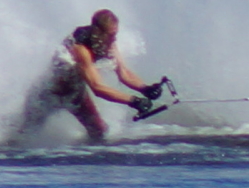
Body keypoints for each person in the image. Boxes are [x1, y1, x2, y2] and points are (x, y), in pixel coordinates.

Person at [13, 9, 165, 142]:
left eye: (115, 34)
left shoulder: (109, 42)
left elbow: (123, 72)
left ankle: (87, 168)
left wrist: (145, 89)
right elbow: (97, 88)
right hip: (48, 94)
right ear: (98, 32)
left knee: (99, 132)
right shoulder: (80, 47)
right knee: (24, 136)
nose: (114, 39)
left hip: (75, 94)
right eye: (111, 35)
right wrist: (133, 101)